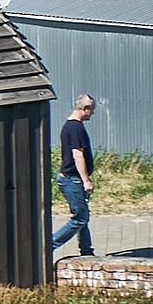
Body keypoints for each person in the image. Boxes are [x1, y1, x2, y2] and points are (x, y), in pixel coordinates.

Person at [51, 94, 97, 257]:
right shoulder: (76, 127)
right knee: (80, 218)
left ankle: (87, 251)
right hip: (73, 179)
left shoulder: (68, 126)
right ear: (84, 109)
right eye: (92, 110)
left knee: (82, 215)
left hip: (69, 179)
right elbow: (78, 155)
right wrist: (86, 180)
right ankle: (50, 245)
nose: (92, 114)